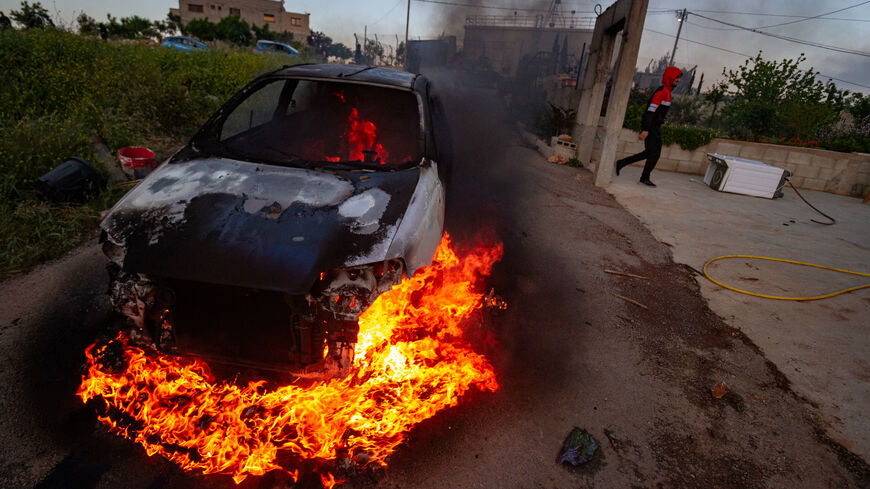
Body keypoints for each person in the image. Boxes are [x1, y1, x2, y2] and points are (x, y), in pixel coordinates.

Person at [615, 66, 683, 187]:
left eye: (679, 77)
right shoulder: (661, 92)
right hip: (651, 128)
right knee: (654, 154)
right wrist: (645, 129)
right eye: (676, 77)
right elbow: (650, 112)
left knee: (650, 153)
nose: (678, 80)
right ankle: (643, 177)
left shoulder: (667, 92)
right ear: (670, 77)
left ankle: (622, 163)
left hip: (655, 127)